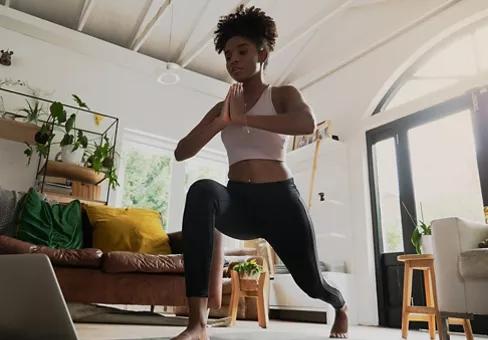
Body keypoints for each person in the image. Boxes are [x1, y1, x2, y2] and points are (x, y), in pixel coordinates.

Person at [172, 5, 348, 340]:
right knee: (202, 191)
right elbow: (182, 152)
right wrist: (221, 122)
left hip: (281, 201)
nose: (233, 60)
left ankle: (339, 305)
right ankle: (198, 324)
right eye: (227, 54)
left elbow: (305, 124)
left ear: (263, 53)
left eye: (242, 51)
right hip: (238, 201)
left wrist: (244, 120)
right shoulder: (222, 106)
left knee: (311, 282)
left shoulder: (282, 95)